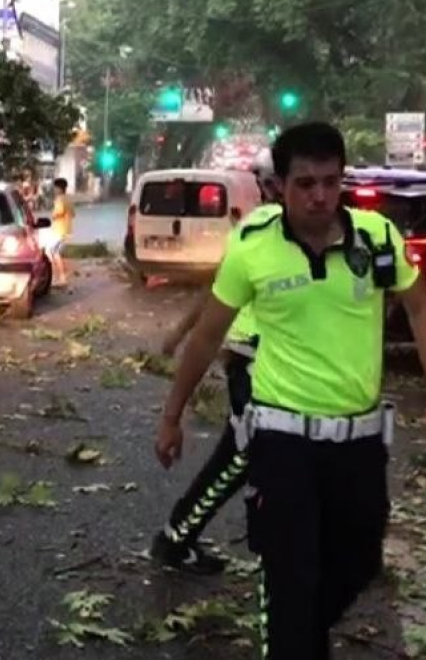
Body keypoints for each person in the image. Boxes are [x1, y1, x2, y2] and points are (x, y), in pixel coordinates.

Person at [155, 122, 426, 659]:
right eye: (305, 183)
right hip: (282, 437)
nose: (319, 195)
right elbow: (209, 334)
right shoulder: (255, 248)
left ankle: (299, 637)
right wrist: (172, 414)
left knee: (360, 561)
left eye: (330, 181)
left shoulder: (377, 239)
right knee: (289, 571)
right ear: (281, 185)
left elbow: (419, 308)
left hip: (359, 441)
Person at [150, 157, 281, 575]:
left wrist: (178, 333)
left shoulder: (259, 228)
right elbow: (221, 291)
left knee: (260, 452)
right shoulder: (270, 231)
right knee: (242, 454)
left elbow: (214, 289)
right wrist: (182, 336)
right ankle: (176, 537)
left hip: (257, 356)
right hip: (253, 356)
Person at [49, 177, 74, 287]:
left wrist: (53, 215)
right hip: (67, 229)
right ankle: (60, 277)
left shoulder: (59, 199)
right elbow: (73, 213)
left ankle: (62, 278)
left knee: (54, 252)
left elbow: (57, 213)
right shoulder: (68, 199)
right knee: (56, 252)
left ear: (59, 188)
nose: (54, 190)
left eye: (55, 188)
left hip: (59, 230)